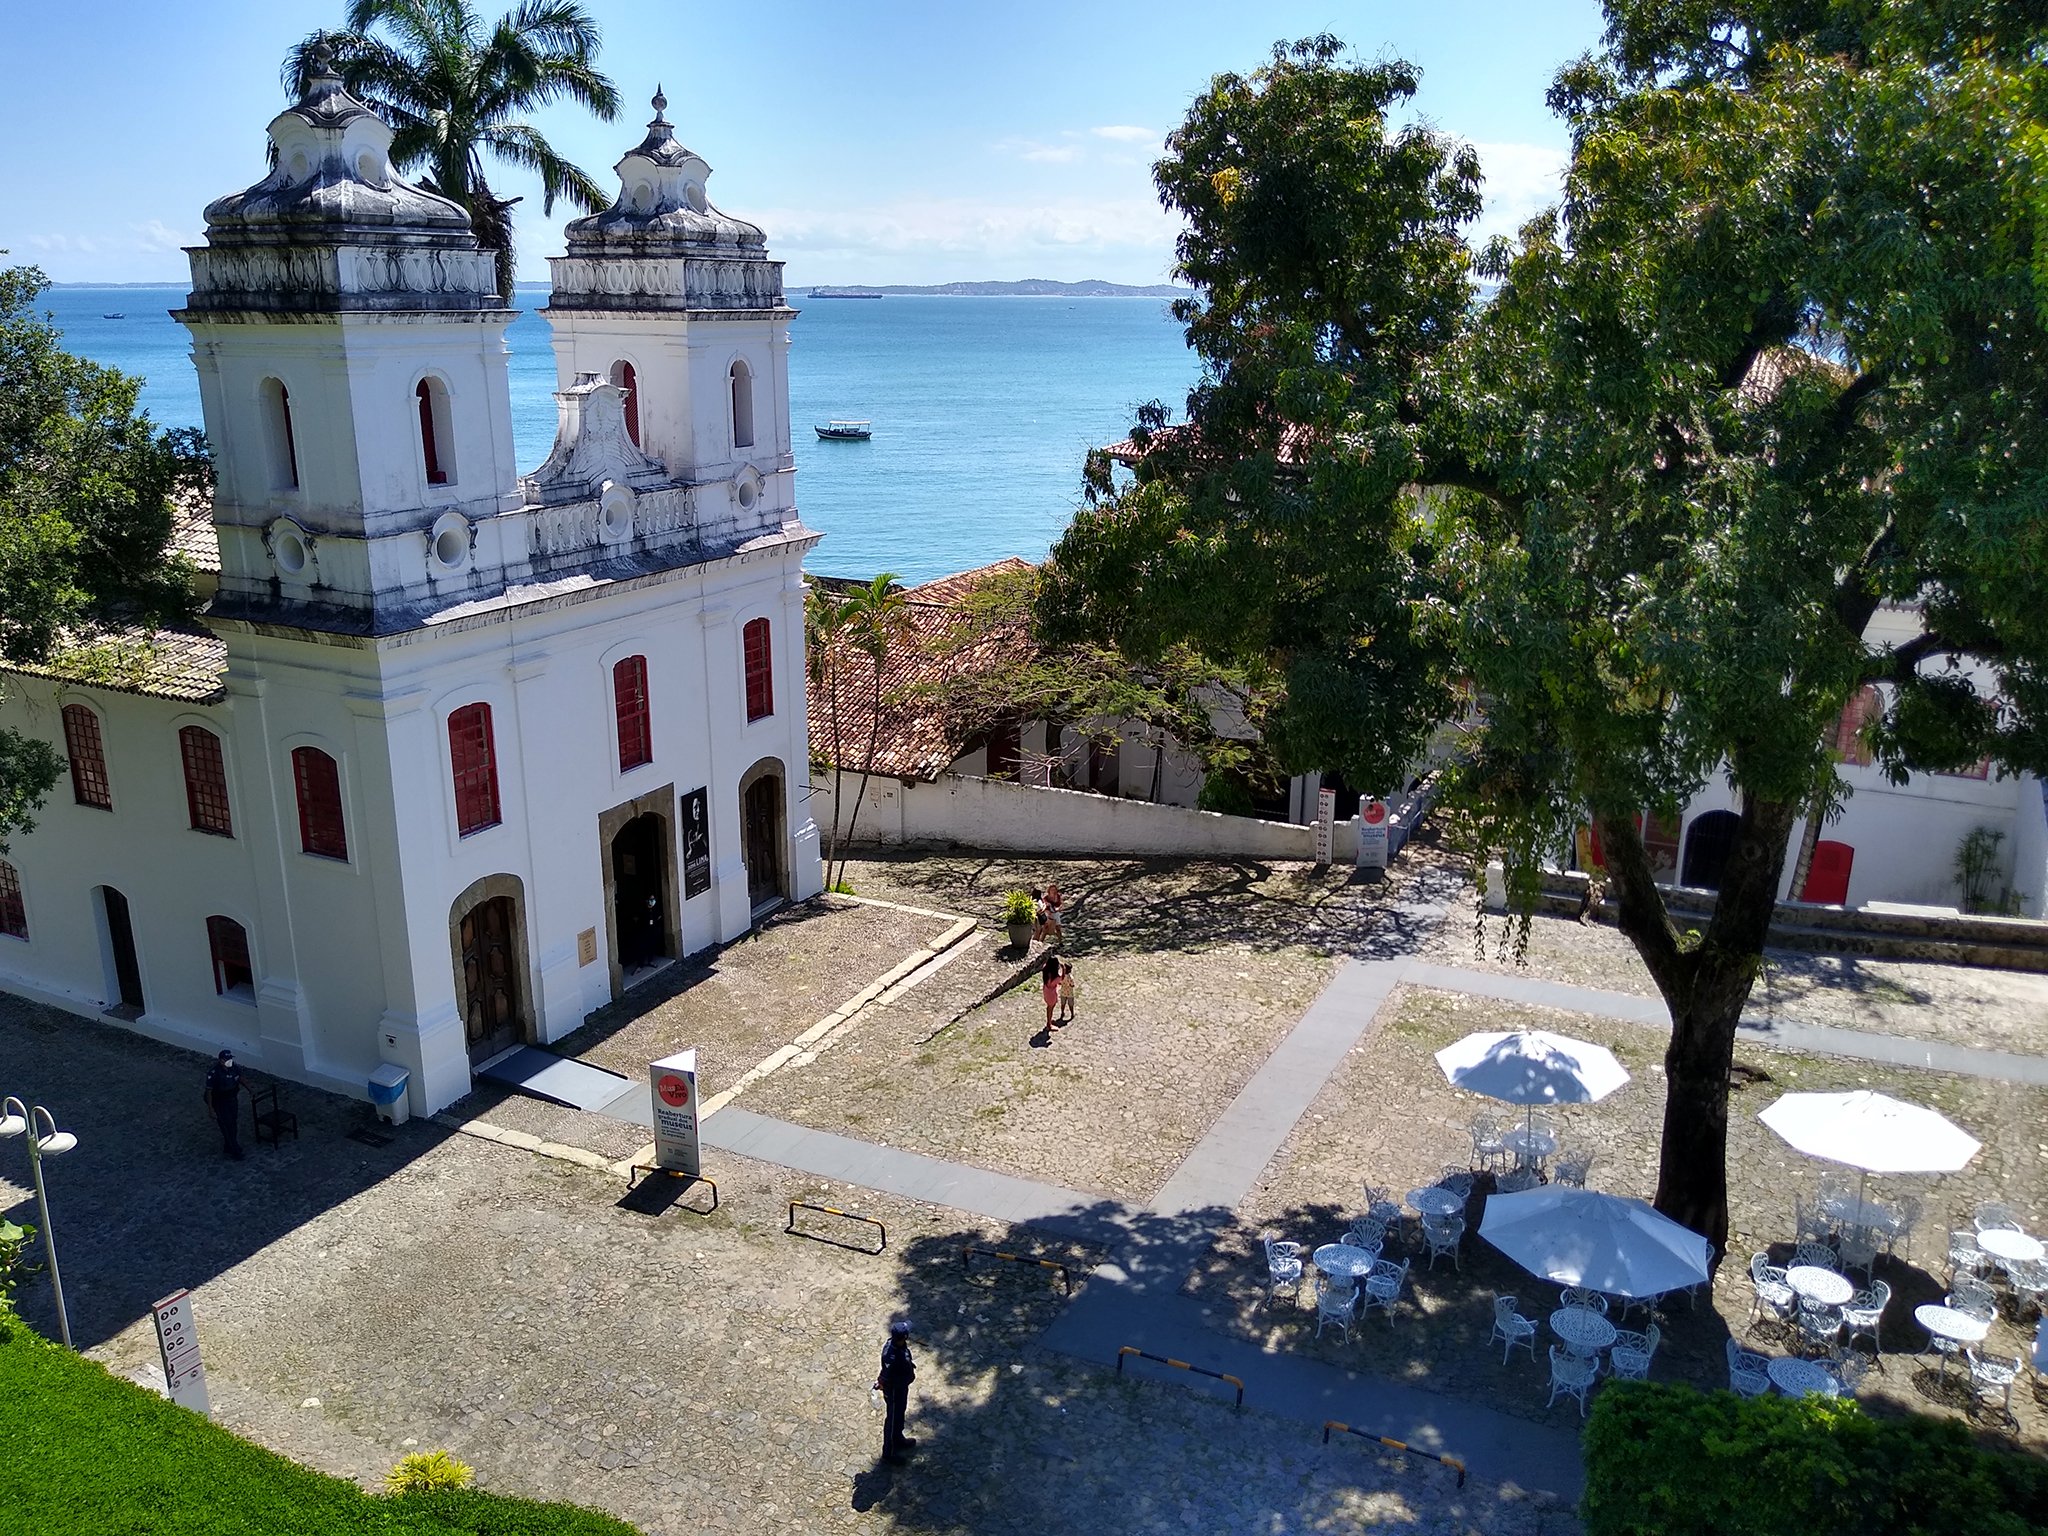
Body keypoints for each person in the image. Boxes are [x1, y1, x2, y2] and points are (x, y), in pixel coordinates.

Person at [875, 1319, 917, 1463]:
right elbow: (887, 1374)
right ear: (903, 1338)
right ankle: (889, 1452)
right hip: (894, 1390)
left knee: (899, 1414)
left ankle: (898, 1438)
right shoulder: (893, 1356)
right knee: (892, 1419)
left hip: (900, 1388)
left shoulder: (896, 1346)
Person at [202, 1049, 248, 1160]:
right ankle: (234, 1149)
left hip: (231, 1098)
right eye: (226, 1059)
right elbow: (209, 1092)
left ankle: (228, 1145)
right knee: (226, 1125)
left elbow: (240, 1078)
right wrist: (211, 1109)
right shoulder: (214, 1073)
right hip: (219, 1101)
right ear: (221, 1061)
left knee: (233, 1123)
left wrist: (250, 1089)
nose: (229, 1061)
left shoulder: (234, 1067)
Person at [1039, 952, 1061, 1033]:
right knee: (1050, 1008)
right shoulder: (1055, 977)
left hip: (1046, 990)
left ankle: (1049, 1020)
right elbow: (1061, 979)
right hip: (1052, 994)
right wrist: (1064, 969)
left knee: (1049, 1007)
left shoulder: (1045, 970)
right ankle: (1049, 1024)